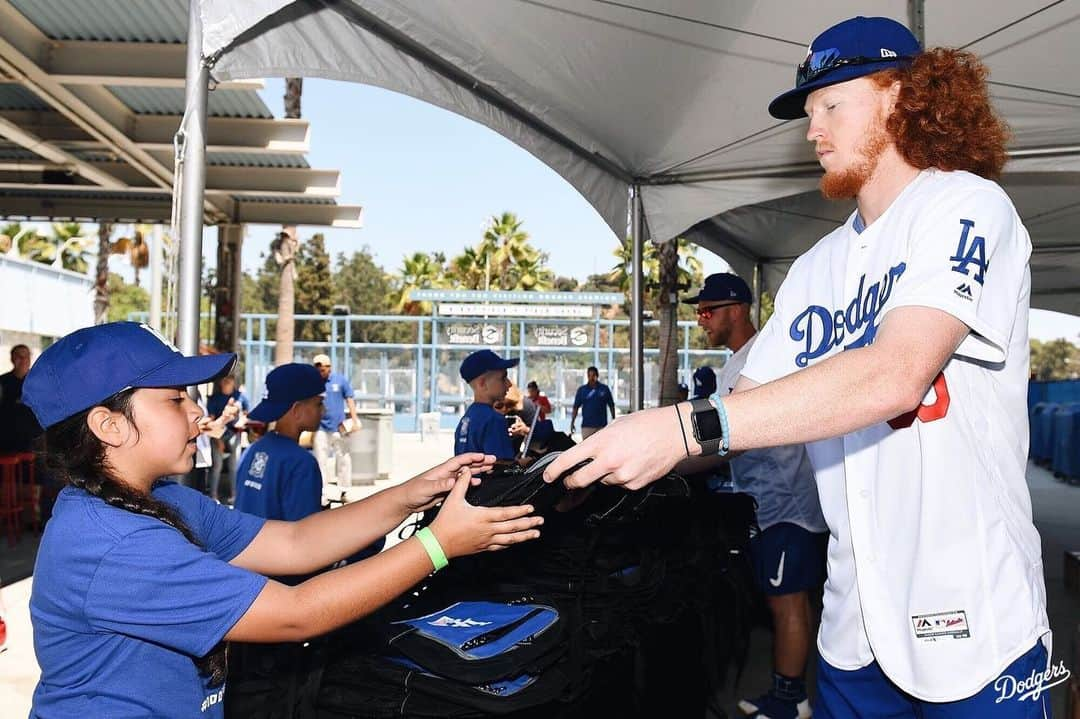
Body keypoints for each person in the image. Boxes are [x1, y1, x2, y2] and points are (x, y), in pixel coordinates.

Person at [546, 16, 1050, 717]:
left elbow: (896, 373)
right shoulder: (817, 269)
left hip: (971, 618)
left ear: (899, 96)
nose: (813, 130)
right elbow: (741, 409)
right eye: (808, 112)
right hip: (853, 629)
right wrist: (605, 458)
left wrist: (683, 430)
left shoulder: (966, 204)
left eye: (831, 105)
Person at [21, 321, 542, 718]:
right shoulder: (112, 541)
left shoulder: (161, 501)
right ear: (108, 425)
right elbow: (297, 613)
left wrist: (411, 494)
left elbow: (294, 542)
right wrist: (439, 544)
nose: (198, 415)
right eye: (175, 400)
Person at [684, 272, 828, 719]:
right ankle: (788, 691)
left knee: (789, 602)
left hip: (788, 503)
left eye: (708, 311)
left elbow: (735, 435)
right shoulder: (738, 361)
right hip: (766, 501)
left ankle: (791, 698)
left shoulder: (762, 356)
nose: (702, 320)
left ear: (737, 309)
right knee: (780, 599)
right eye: (699, 312)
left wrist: (674, 456)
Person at [455, 349, 519, 461]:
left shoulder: (467, 418)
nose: (509, 384)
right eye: (503, 378)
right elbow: (502, 468)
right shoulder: (494, 420)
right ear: (482, 383)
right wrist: (522, 464)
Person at [312, 353, 360, 485]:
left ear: (329, 367)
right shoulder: (313, 383)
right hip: (320, 427)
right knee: (321, 460)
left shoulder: (340, 380)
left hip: (339, 427)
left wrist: (354, 420)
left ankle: (344, 489)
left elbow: (349, 399)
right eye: (317, 369)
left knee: (343, 458)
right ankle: (321, 492)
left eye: (322, 369)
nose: (319, 372)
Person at [206, 375, 249, 502]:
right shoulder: (214, 399)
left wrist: (242, 421)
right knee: (217, 466)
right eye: (223, 380)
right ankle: (213, 496)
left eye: (228, 381)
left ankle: (235, 495)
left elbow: (246, 414)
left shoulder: (241, 397)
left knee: (234, 466)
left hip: (234, 434)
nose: (224, 383)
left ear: (233, 382)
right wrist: (217, 440)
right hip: (217, 434)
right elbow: (211, 422)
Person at [0, 344, 38, 452]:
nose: (23, 360)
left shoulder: (38, 382)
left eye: (26, 356)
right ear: (12, 358)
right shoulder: (3, 382)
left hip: (34, 442)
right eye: (19, 356)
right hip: (7, 441)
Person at [569, 366, 615, 439]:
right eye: (589, 375)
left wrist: (613, 420)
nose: (591, 378)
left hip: (601, 426)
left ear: (597, 376)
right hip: (587, 426)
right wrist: (572, 422)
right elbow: (576, 407)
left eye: (593, 375)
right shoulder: (582, 390)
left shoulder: (604, 389)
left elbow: (611, 405)